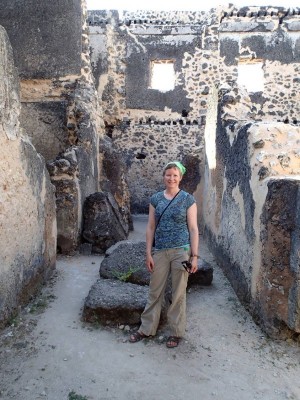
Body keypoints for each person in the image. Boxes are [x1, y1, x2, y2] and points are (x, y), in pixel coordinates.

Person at [129, 161, 199, 348]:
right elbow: (150, 227)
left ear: (180, 177)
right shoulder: (156, 199)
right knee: (155, 291)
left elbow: (193, 229)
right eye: (168, 175)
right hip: (160, 251)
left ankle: (176, 332)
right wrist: (148, 253)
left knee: (178, 293)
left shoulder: (188, 200)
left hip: (181, 251)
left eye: (175, 175)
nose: (171, 178)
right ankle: (146, 328)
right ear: (164, 176)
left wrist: (194, 256)